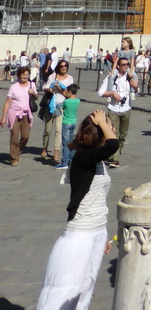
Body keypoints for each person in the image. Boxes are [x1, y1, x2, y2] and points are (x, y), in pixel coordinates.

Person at [36, 110, 118, 310]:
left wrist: (102, 234)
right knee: (64, 292)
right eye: (108, 126)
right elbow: (113, 145)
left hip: (96, 230)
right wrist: (102, 122)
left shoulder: (97, 161)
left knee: (84, 290)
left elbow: (95, 199)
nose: (112, 129)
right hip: (80, 234)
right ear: (99, 131)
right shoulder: (83, 157)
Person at [98, 54, 137, 166]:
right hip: (113, 109)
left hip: (126, 108)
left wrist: (135, 87)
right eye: (124, 65)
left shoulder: (130, 77)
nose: (126, 67)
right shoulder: (111, 77)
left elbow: (137, 90)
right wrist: (112, 93)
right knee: (114, 133)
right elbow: (100, 93)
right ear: (118, 66)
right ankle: (115, 158)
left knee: (122, 135)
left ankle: (114, 154)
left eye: (127, 65)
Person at [1, 64, 38, 165]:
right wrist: (3, 118)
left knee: (26, 136)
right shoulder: (14, 87)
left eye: (27, 74)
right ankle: (14, 158)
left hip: (27, 113)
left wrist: (33, 93)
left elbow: (36, 97)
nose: (25, 76)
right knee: (14, 135)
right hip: (15, 113)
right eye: (23, 75)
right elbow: (8, 102)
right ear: (19, 75)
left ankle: (17, 149)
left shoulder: (32, 85)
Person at [42, 58, 74, 162]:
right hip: (50, 106)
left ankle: (56, 152)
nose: (63, 68)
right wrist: (50, 89)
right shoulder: (53, 76)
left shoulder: (70, 78)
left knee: (58, 130)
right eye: (61, 66)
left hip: (61, 106)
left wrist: (60, 88)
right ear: (58, 67)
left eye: (65, 66)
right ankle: (45, 148)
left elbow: (70, 93)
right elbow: (45, 86)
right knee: (47, 129)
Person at [56, 84, 81, 169]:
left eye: (67, 92)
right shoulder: (77, 101)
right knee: (72, 142)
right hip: (73, 122)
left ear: (70, 92)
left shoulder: (66, 102)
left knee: (66, 143)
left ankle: (65, 162)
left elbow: (60, 106)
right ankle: (72, 160)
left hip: (66, 122)